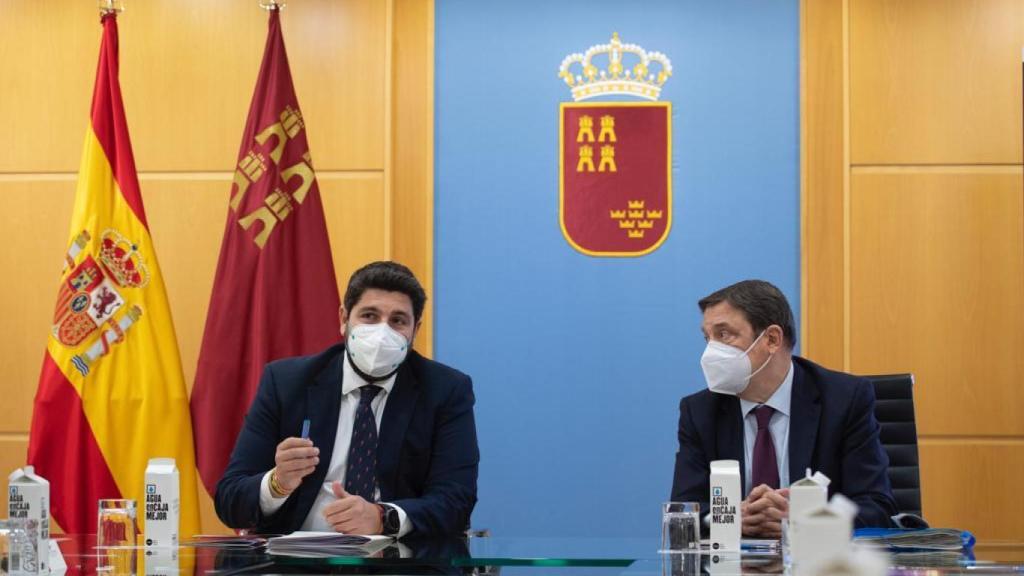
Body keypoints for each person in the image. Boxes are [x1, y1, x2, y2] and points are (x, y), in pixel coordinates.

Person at [216, 261, 479, 537]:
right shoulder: (286, 383)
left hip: (398, 563)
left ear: (415, 329)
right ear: (344, 319)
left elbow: (456, 501)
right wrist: (277, 483)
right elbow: (229, 501)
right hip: (297, 563)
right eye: (369, 316)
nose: (381, 333)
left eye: (398, 321)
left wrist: (382, 517)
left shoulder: (445, 391)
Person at [670, 280, 896, 537]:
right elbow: (683, 515)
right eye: (707, 338)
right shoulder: (700, 411)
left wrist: (806, 521)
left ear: (772, 339)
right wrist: (728, 519)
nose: (711, 351)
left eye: (724, 335)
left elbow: (877, 507)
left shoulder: (844, 400)